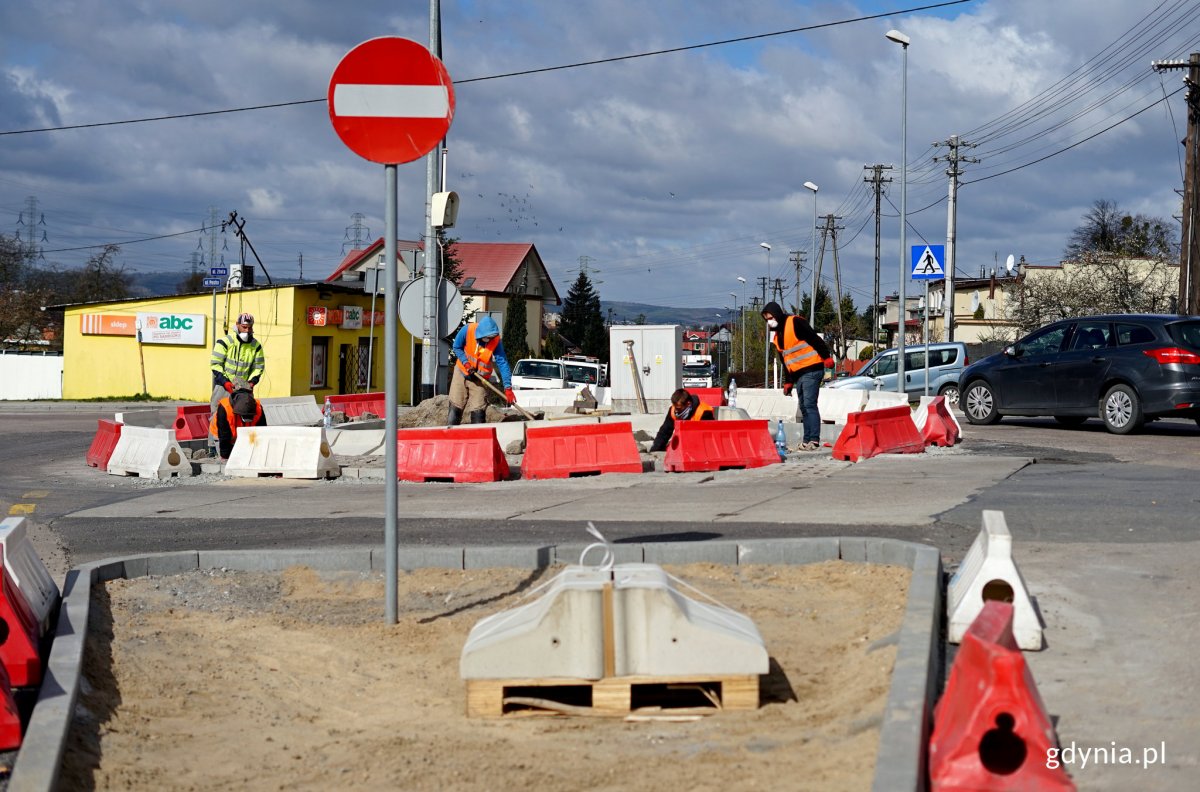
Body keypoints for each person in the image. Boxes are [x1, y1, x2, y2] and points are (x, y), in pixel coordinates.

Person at [761, 301, 832, 452]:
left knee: (809, 404)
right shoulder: (777, 337)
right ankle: (807, 441)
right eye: (767, 319)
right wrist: (788, 382)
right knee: (804, 407)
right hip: (799, 373)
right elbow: (785, 361)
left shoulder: (795, 322)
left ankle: (814, 440)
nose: (769, 321)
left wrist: (826, 357)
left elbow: (814, 339)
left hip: (812, 368)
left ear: (777, 314)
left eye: (770, 318)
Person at [209, 312, 266, 445]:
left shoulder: (255, 346)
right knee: (217, 415)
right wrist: (225, 382)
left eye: (249, 327)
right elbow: (215, 364)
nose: (247, 330)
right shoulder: (225, 342)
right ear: (237, 325)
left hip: (245, 387)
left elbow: (258, 367)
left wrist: (252, 382)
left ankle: (240, 444)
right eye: (244, 327)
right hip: (224, 385)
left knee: (245, 415)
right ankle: (213, 446)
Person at [449, 315, 516, 425]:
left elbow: (502, 363)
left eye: (491, 337)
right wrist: (466, 362)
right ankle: (450, 434)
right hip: (461, 372)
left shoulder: (495, 341)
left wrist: (508, 388)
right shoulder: (468, 330)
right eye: (487, 337)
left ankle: (479, 437)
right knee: (455, 406)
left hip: (480, 378)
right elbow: (456, 346)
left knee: (478, 410)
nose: (488, 339)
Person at [649, 388, 717, 452]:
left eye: (678, 408)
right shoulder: (673, 411)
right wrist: (655, 450)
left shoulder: (704, 412)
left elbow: (708, 438)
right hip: (682, 442)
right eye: (674, 407)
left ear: (688, 404)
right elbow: (665, 432)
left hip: (699, 445)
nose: (676, 410)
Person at [209, 387, 267, 460]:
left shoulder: (258, 408)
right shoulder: (225, 408)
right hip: (222, 435)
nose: (248, 419)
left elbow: (262, 432)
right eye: (245, 417)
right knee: (228, 458)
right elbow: (224, 435)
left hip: (243, 435)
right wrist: (225, 456)